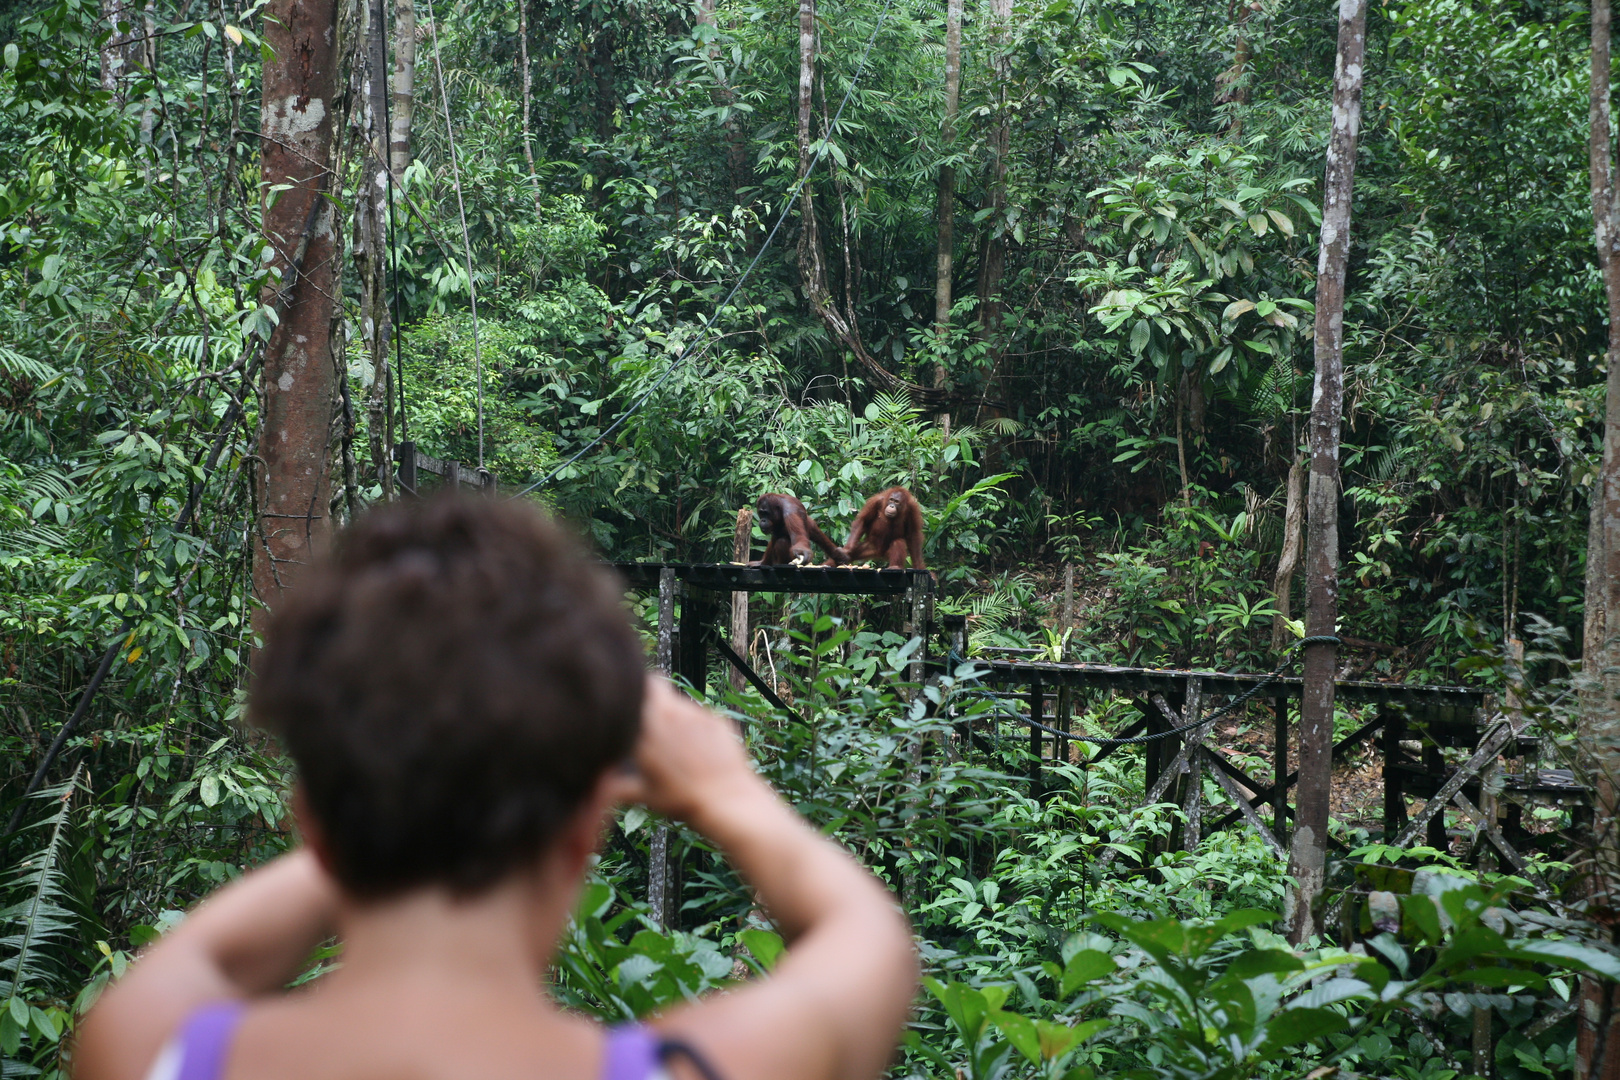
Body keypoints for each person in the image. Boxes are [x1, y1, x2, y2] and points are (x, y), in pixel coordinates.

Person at [75, 496, 918, 1080]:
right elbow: (868, 938)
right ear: (584, 827)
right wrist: (724, 791)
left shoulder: (151, 1049)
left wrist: (387, 793)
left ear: (316, 830)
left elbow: (202, 959)